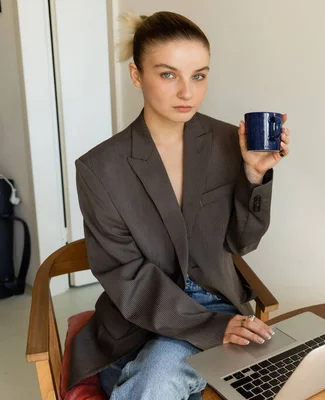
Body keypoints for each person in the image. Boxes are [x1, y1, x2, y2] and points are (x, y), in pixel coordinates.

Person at [67, 11, 290, 399]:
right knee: (159, 375)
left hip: (218, 304)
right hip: (137, 321)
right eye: (168, 74)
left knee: (161, 375)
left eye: (198, 75)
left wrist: (254, 176)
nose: (187, 92)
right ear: (137, 76)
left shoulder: (226, 141)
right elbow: (127, 276)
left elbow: (242, 243)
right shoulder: (100, 168)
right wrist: (209, 328)